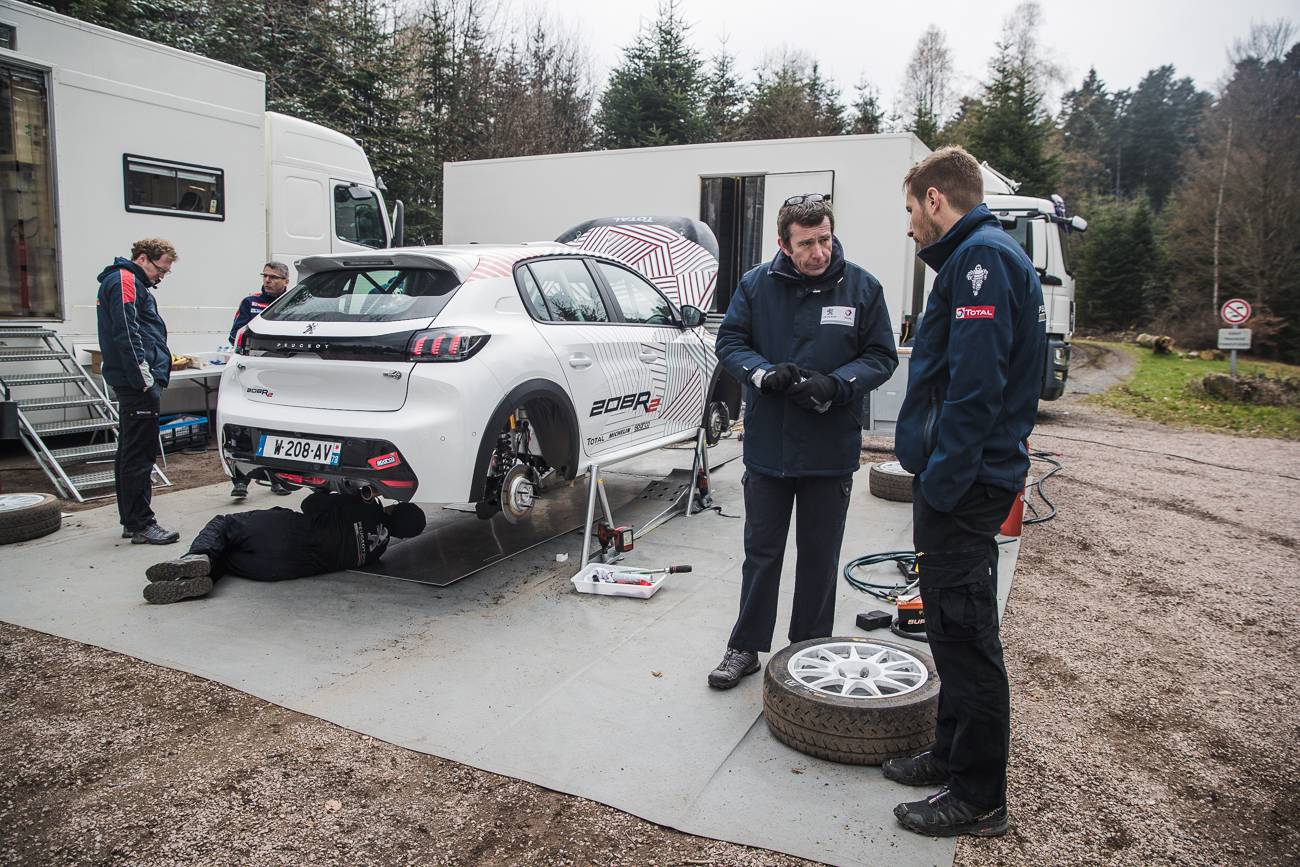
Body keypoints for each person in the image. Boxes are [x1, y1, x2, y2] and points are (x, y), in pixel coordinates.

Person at [886, 146, 1047, 838]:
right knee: (950, 629)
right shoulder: (977, 258)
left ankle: (978, 793)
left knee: (968, 634)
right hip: (965, 479)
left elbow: (975, 392)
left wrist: (944, 484)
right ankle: (951, 754)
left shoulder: (981, 263)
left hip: (967, 484)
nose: (910, 226)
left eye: (910, 210)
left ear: (933, 199)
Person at [708, 195, 898, 689]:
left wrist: (839, 384)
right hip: (770, 448)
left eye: (824, 239)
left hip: (829, 448)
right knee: (762, 552)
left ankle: (810, 651)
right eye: (806, 243)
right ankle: (745, 646)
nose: (817, 252)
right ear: (783, 243)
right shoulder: (756, 286)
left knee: (819, 555)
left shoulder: (861, 287)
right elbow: (730, 342)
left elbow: (881, 355)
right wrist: (762, 374)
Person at [141, 491, 427, 604]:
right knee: (226, 558)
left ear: (394, 508)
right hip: (278, 569)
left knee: (224, 526)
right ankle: (195, 582)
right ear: (403, 535)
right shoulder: (377, 553)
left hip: (284, 532)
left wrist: (347, 496)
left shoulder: (365, 507)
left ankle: (196, 557)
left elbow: (310, 504)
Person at [96, 238, 179, 545]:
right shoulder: (125, 280)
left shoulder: (125, 280)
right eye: (161, 269)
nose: (162, 276)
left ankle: (133, 521)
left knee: (131, 451)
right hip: (136, 383)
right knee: (139, 454)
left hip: (133, 380)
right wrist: (143, 376)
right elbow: (127, 331)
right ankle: (141, 523)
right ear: (144, 258)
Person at [228, 261, 292, 498]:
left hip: (280, 376)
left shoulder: (296, 301)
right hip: (252, 373)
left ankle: (278, 479)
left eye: (273, 277)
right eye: (264, 276)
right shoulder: (250, 302)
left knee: (279, 429)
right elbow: (235, 335)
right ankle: (240, 481)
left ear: (286, 281)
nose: (267, 281)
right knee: (244, 427)